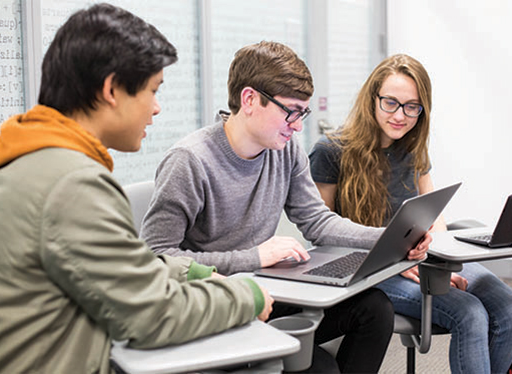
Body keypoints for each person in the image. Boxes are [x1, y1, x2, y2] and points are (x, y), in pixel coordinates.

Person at [0, 4, 273, 373]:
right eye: (152, 90)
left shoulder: (32, 159)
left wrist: (189, 272)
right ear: (111, 89)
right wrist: (247, 295)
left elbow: (116, 265)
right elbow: (151, 316)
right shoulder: (73, 184)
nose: (156, 109)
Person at [140, 40, 431, 373]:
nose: (297, 125)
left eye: (302, 113)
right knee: (321, 369)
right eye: (290, 111)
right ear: (250, 99)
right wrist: (254, 257)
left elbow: (317, 220)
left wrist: (388, 238)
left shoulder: (285, 149)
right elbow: (156, 258)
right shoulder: (190, 161)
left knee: (374, 309)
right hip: (215, 303)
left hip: (267, 294)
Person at [308, 53, 512, 374]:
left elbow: (434, 211)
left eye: (412, 106)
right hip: (371, 271)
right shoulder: (330, 151)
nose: (401, 115)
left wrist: (439, 258)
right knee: (469, 314)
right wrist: (403, 265)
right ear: (373, 99)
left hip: (422, 258)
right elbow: (320, 234)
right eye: (391, 103)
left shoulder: (412, 147)